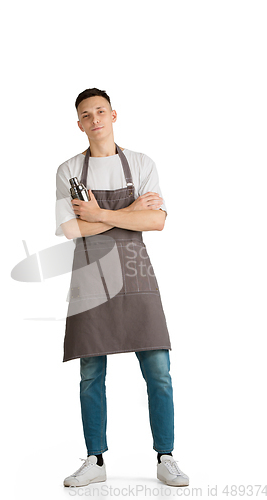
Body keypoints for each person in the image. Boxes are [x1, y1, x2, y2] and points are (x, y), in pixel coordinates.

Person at [55, 88, 189, 488]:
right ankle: (95, 460)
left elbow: (158, 222)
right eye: (85, 114)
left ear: (114, 115)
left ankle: (165, 456)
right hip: (90, 277)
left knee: (159, 371)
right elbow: (70, 229)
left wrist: (100, 214)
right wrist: (130, 211)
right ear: (78, 123)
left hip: (136, 274)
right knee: (90, 372)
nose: (94, 119)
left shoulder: (142, 163)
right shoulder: (68, 171)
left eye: (100, 111)